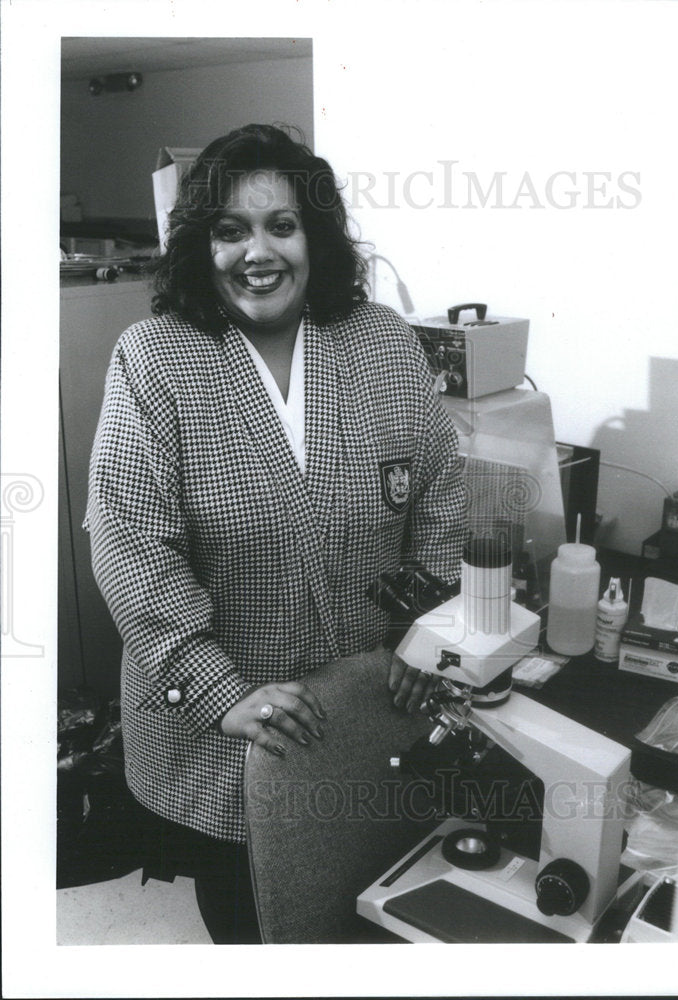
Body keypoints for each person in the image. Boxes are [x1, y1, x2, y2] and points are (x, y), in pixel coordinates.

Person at [85, 123, 465, 943]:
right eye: (230, 231)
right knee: (252, 925)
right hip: (223, 726)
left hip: (369, 707)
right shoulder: (154, 358)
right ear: (201, 246)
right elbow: (129, 545)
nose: (258, 253)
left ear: (315, 236)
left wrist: (425, 632)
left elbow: (439, 498)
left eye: (281, 226)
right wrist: (219, 692)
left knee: (366, 910)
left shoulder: (383, 344)